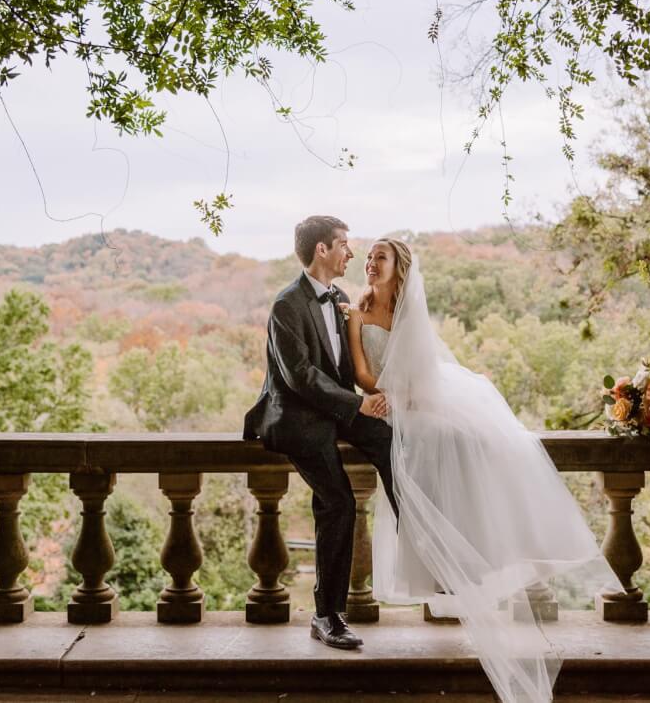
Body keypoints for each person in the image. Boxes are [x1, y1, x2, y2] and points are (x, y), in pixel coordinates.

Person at [345, 237, 613, 703]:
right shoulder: (357, 311)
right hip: (380, 403)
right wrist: (383, 395)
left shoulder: (411, 314)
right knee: (425, 442)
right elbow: (361, 372)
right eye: (368, 258)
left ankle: (482, 548)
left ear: (399, 268)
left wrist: (404, 398)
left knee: (472, 441)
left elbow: (423, 373)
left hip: (416, 399)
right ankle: (440, 562)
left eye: (379, 258)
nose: (370, 264)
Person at [243, 215, 399, 650]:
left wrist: (383, 397)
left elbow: (349, 368)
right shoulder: (286, 305)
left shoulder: (340, 297)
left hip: (336, 407)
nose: (351, 252)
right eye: (344, 245)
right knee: (340, 502)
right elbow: (300, 377)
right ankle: (327, 615)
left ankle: (421, 542)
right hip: (296, 417)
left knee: (394, 443)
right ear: (322, 251)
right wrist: (356, 404)